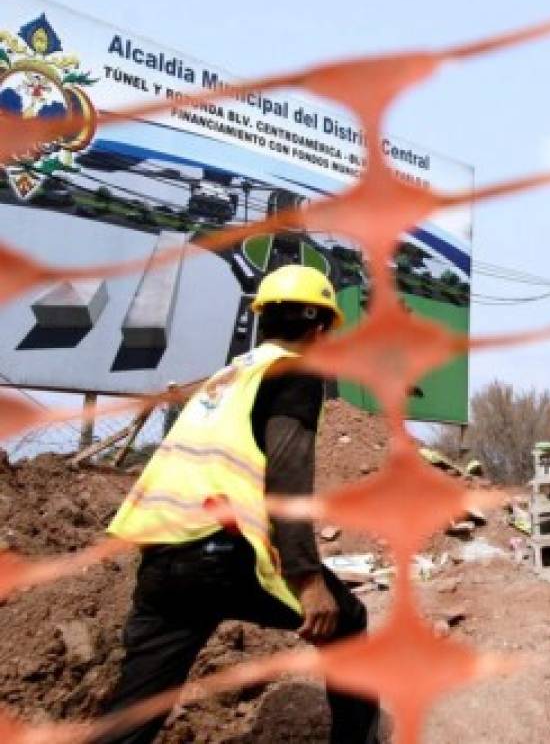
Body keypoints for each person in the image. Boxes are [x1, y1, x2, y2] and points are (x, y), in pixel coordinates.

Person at [100, 265, 380, 744]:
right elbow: (287, 475)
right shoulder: (294, 372)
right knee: (347, 622)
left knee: (136, 705)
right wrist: (308, 578)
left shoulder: (227, 377)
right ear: (318, 329)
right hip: (225, 555)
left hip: (164, 556)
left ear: (263, 320)